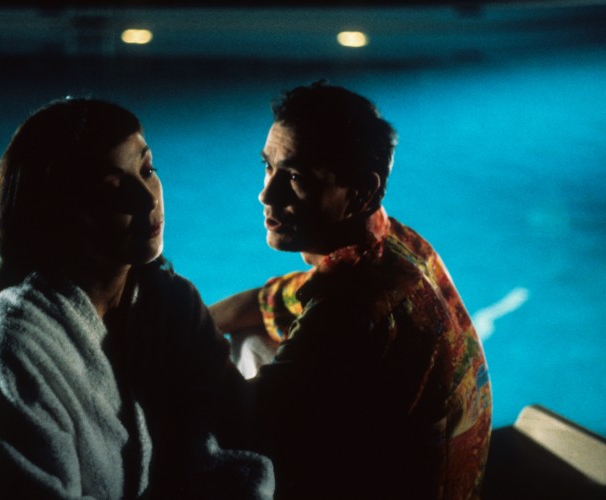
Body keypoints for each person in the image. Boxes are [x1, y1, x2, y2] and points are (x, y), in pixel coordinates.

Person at [0, 97, 273, 499]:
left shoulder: (171, 303)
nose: (147, 199)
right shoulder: (11, 351)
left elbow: (240, 423)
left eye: (147, 170)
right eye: (111, 188)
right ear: (58, 211)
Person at [211, 82, 492, 499]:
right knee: (252, 338)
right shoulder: (394, 242)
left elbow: (238, 425)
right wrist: (192, 322)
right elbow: (264, 302)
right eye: (268, 167)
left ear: (361, 193)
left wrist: (164, 321)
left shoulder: (350, 307)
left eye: (296, 177)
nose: (266, 193)